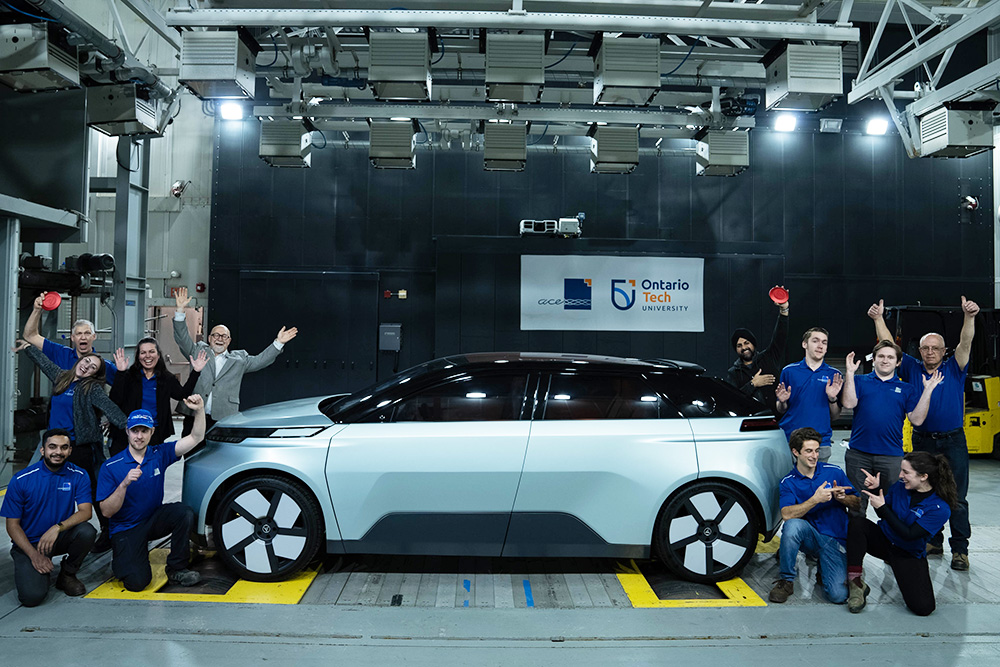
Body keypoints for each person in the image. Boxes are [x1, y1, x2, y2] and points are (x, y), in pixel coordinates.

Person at [869, 296, 979, 571]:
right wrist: (878, 319)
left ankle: (960, 550)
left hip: (952, 440)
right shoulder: (911, 368)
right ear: (919, 351)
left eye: (935, 348)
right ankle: (933, 540)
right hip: (922, 441)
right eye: (925, 348)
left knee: (957, 498)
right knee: (926, 493)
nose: (930, 352)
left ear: (944, 351)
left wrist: (969, 317)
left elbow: (966, 343)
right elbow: (889, 347)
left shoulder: (954, 368)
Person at [15, 339, 128, 552]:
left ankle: (108, 531)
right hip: (54, 445)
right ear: (80, 361)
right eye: (87, 361)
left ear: (94, 374)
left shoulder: (91, 389)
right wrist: (27, 347)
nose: (87, 366)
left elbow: (112, 410)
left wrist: (134, 428)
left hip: (79, 446)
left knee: (94, 489)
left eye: (93, 367)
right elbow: (44, 362)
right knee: (43, 486)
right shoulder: (62, 378)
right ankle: (39, 532)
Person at [97, 395, 207, 591]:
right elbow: (106, 512)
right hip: (126, 528)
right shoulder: (111, 466)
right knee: (137, 583)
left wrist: (199, 411)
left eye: (144, 431)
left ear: (151, 432)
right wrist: (123, 485)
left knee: (183, 512)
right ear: (127, 432)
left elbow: (195, 438)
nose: (139, 436)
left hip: (152, 520)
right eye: (135, 431)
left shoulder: (159, 454)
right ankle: (125, 557)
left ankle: (176, 569)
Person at [172, 286, 298, 433]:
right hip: (194, 414)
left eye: (224, 336)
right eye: (216, 335)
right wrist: (180, 311)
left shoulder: (239, 360)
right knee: (191, 453)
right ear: (209, 338)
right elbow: (182, 339)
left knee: (221, 454)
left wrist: (278, 343)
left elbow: (261, 360)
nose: (220, 339)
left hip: (223, 418)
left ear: (229, 340)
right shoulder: (198, 351)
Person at [846, 451, 956, 616]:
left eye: (906, 472)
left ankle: (900, 569)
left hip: (907, 552)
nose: (900, 475)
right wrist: (877, 491)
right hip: (884, 540)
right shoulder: (900, 487)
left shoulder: (939, 508)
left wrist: (882, 507)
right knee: (857, 523)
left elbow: (909, 534)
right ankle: (856, 584)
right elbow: (884, 514)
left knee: (923, 608)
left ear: (923, 476)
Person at [840, 342, 943, 516]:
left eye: (890, 357)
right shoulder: (860, 381)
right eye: (880, 356)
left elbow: (916, 420)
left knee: (893, 507)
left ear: (898, 362)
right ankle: (856, 542)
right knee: (856, 506)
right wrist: (850, 373)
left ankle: (888, 542)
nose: (885, 360)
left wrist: (928, 391)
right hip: (858, 455)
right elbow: (849, 403)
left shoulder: (907, 389)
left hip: (891, 457)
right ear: (873, 360)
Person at [1, 429, 97, 606]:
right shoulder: (22, 479)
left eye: (64, 447)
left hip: (57, 538)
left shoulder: (79, 475)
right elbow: (12, 526)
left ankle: (67, 574)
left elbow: (86, 512)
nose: (58, 452)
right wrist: (33, 555)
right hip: (29, 543)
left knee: (87, 531)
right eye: (52, 447)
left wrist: (57, 527)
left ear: (69, 451)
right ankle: (36, 568)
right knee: (32, 597)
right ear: (43, 450)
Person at [770, 427, 859, 605]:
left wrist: (844, 499)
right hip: (810, 537)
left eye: (817, 450)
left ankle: (823, 569)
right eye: (809, 451)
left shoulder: (833, 472)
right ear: (795, 452)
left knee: (838, 596)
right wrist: (815, 500)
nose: (814, 456)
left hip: (835, 539)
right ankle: (786, 580)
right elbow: (786, 514)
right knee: (792, 526)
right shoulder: (788, 482)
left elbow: (857, 502)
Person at [108, 338, 207, 457]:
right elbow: (114, 401)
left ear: (158, 355)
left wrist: (196, 372)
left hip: (153, 432)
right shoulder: (129, 376)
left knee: (150, 469)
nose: (147, 356)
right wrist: (120, 373)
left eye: (151, 351)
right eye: (143, 352)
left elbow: (181, 395)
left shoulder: (167, 378)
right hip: (128, 432)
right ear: (138, 356)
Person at [775, 328, 843, 462]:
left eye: (824, 342)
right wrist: (782, 401)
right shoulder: (789, 371)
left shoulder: (834, 375)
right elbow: (781, 409)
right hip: (790, 440)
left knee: (818, 483)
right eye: (815, 341)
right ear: (804, 344)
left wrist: (832, 398)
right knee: (790, 482)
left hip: (820, 442)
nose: (820, 346)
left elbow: (835, 416)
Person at [22, 291, 115, 384]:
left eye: (87, 333)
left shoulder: (103, 365)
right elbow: (30, 336)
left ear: (94, 337)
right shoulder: (61, 353)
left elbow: (124, 386)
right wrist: (37, 310)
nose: (83, 337)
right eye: (79, 334)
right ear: (72, 338)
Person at [727, 288, 789, 411]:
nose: (744, 347)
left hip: (778, 418)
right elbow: (733, 399)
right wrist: (753, 384)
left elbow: (780, 336)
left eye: (746, 343)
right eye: (739, 346)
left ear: (753, 344)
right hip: (752, 423)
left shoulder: (769, 357)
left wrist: (784, 310)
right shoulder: (733, 373)